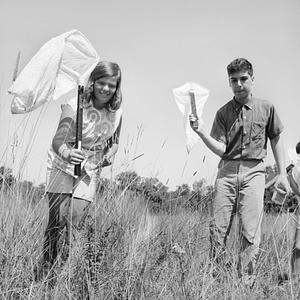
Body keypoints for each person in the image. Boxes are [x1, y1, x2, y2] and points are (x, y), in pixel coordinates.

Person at [190, 58, 290, 284]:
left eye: (243, 79)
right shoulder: (223, 113)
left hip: (254, 171)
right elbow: (221, 149)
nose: (239, 84)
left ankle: (246, 281)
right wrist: (201, 132)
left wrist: (282, 174)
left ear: (252, 79)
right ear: (229, 83)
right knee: (218, 226)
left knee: (250, 228)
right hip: (227, 171)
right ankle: (216, 277)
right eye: (233, 80)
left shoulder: (266, 107)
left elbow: (276, 139)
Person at [42, 61, 123, 274]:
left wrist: (110, 154)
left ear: (117, 87)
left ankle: (62, 273)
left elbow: (114, 142)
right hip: (63, 161)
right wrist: (67, 153)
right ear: (93, 82)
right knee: (57, 220)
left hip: (90, 167)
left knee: (75, 222)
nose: (106, 89)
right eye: (102, 83)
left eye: (112, 85)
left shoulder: (117, 112)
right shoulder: (74, 103)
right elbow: (58, 138)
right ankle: (46, 269)